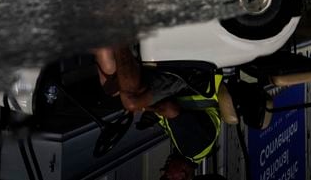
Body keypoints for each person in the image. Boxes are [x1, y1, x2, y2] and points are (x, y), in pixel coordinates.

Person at [94, 45, 222, 176]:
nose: (163, 171)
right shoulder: (193, 149)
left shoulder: (189, 152)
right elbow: (170, 109)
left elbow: (178, 116)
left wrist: (152, 117)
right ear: (182, 176)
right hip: (193, 78)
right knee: (131, 101)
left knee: (112, 88)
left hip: (185, 85)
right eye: (167, 177)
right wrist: (144, 107)